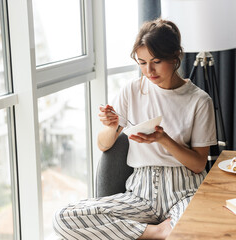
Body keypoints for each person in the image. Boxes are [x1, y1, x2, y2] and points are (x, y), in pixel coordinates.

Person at [53, 18, 217, 240]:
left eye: (156, 61)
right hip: (140, 193)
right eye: (141, 62)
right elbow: (103, 145)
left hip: (185, 190)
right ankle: (157, 232)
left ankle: (159, 232)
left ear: (176, 56)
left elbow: (198, 164)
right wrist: (112, 127)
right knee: (63, 218)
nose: (148, 70)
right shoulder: (132, 91)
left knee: (195, 233)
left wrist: (164, 139)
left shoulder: (199, 101)